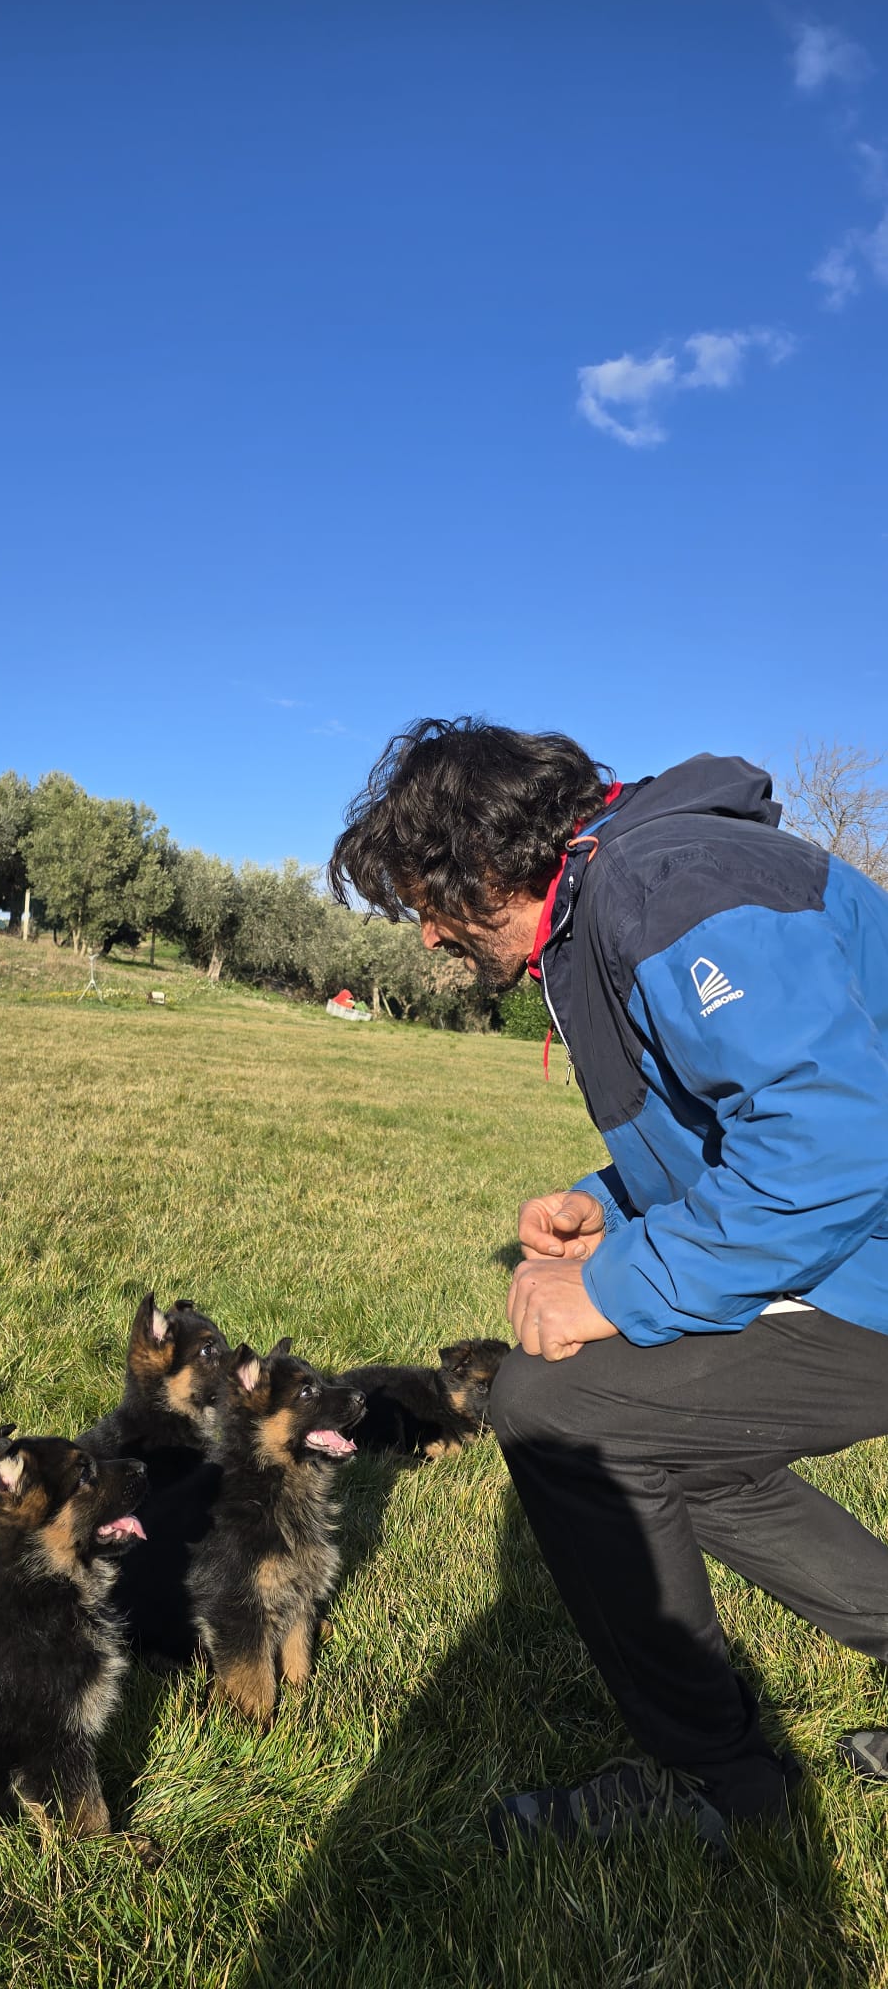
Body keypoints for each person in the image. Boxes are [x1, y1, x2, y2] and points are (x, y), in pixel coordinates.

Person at [328, 716, 888, 1849]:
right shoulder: (623, 882)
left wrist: (617, 1288)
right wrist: (613, 1197)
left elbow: (831, 1140)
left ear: (483, 864)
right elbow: (751, 1116)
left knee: (559, 1411)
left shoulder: (668, 879)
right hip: (861, 1254)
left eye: (424, 902)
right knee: (682, 1447)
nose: (428, 935)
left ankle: (718, 1784)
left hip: (864, 1253)